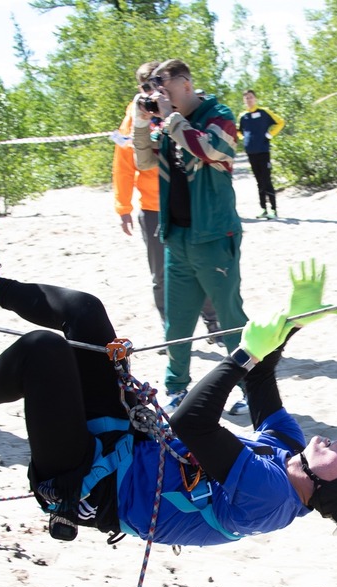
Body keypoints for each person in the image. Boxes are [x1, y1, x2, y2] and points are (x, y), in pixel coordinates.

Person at [0, 208, 337, 544]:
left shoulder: (270, 499)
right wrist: (293, 323)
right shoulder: (287, 454)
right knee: (84, 313)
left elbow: (193, 425)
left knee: (44, 352)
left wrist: (246, 353)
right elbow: (259, 379)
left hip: (84, 481)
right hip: (122, 441)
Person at [132, 59, 249, 415]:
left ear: (184, 84)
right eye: (154, 90)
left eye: (164, 88)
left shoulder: (219, 114)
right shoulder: (167, 123)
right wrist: (140, 121)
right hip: (177, 237)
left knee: (230, 318)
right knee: (178, 321)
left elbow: (212, 150)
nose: (159, 96)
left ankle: (250, 388)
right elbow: (143, 162)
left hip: (214, 235)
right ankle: (176, 387)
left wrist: (171, 119)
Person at [113, 61, 220, 347]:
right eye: (146, 86)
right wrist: (122, 206)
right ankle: (171, 331)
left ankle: (214, 322)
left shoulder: (181, 109)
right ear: (140, 89)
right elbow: (124, 164)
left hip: (187, 202)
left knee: (203, 267)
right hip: (152, 207)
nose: (153, 91)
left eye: (157, 84)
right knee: (161, 275)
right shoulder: (134, 116)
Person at [237, 89, 285, 219]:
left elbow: (280, 122)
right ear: (244, 100)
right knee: (258, 181)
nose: (249, 100)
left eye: (251, 97)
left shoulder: (264, 112)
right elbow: (238, 131)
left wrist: (270, 134)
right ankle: (263, 208)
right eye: (246, 98)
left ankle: (273, 210)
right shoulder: (243, 116)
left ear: (255, 98)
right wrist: (243, 138)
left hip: (263, 151)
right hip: (251, 153)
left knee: (267, 179)